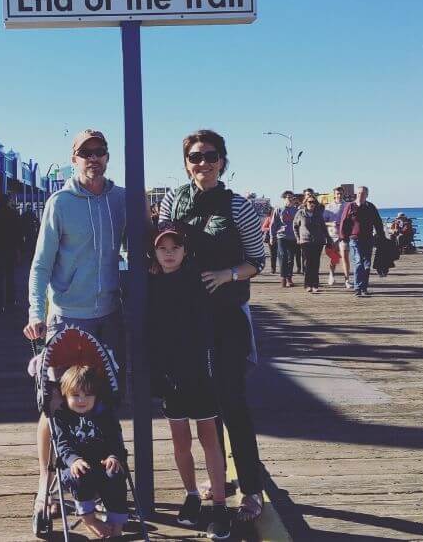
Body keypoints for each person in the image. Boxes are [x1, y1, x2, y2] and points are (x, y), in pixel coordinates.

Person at [158, 129, 267, 524]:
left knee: (232, 402)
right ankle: (219, 481)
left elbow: (258, 259)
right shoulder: (174, 199)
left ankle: (252, 489)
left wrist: (227, 274)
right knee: (204, 407)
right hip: (187, 318)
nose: (201, 163)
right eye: (194, 157)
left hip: (225, 315)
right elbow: (162, 246)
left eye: (209, 156)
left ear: (222, 160)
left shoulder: (238, 206)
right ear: (186, 162)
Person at [23, 129, 128, 526]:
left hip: (109, 316)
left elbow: (143, 248)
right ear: (74, 158)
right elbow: (40, 265)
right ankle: (44, 486)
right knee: (55, 407)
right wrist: (36, 312)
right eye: (86, 153)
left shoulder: (120, 200)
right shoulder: (59, 202)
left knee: (101, 404)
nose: (94, 159)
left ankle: (98, 481)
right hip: (66, 316)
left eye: (100, 152)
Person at [148, 222, 231, 540]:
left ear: (185, 250)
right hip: (170, 376)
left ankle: (220, 504)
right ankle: (192, 494)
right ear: (154, 252)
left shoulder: (198, 279)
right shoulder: (152, 283)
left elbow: (209, 329)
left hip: (199, 372)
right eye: (162, 249)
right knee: (180, 440)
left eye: (175, 248)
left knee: (209, 437)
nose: (169, 254)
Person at [53, 365, 129, 539]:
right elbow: (62, 445)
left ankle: (116, 527)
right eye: (75, 395)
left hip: (103, 463)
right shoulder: (62, 417)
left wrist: (113, 456)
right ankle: (89, 518)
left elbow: (115, 440)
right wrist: (74, 460)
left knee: (116, 474)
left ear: (96, 396)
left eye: (88, 395)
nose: (82, 400)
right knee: (80, 474)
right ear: (65, 394)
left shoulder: (104, 414)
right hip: (75, 467)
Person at [339, 185, 386, 298]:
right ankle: (357, 288)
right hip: (354, 239)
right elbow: (343, 222)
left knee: (366, 265)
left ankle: (364, 287)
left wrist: (381, 237)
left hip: (368, 239)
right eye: (359, 193)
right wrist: (343, 238)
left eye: (363, 193)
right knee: (358, 262)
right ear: (356, 194)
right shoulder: (351, 206)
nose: (361, 195)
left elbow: (378, 223)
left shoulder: (370, 207)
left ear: (367, 195)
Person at [0, 191, 23, 313]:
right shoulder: (13, 213)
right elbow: (18, 232)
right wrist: (19, 249)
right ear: (7, 201)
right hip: (10, 249)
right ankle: (11, 300)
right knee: (10, 276)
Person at [293, 192, 332, 293]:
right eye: (310, 202)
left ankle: (315, 285)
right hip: (305, 241)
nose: (312, 204)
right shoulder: (300, 213)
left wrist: (328, 238)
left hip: (318, 241)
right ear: (306, 203)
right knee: (308, 263)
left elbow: (323, 227)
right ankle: (307, 284)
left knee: (315, 263)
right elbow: (295, 226)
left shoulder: (318, 214)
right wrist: (298, 238)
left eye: (314, 202)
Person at [323, 186, 352, 288]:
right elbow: (323, 222)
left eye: (340, 193)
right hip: (332, 235)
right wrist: (331, 223)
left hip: (344, 235)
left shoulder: (348, 205)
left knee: (345, 257)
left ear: (343, 194)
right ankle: (331, 274)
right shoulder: (329, 206)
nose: (339, 195)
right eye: (337, 194)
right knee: (334, 258)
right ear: (334, 195)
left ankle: (347, 280)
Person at [269, 192, 299, 288]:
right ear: (284, 198)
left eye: (291, 197)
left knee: (291, 258)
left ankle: (289, 278)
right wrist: (271, 236)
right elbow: (273, 224)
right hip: (281, 236)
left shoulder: (296, 210)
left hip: (293, 237)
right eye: (288, 197)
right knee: (283, 256)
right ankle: (283, 277)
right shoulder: (279, 209)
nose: (290, 199)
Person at [261, 206, 277, 274]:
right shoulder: (269, 218)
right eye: (273, 211)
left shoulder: (280, 217)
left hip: (281, 237)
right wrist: (271, 229)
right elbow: (263, 228)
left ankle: (284, 269)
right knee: (273, 254)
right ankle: (273, 269)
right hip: (271, 238)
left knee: (282, 255)